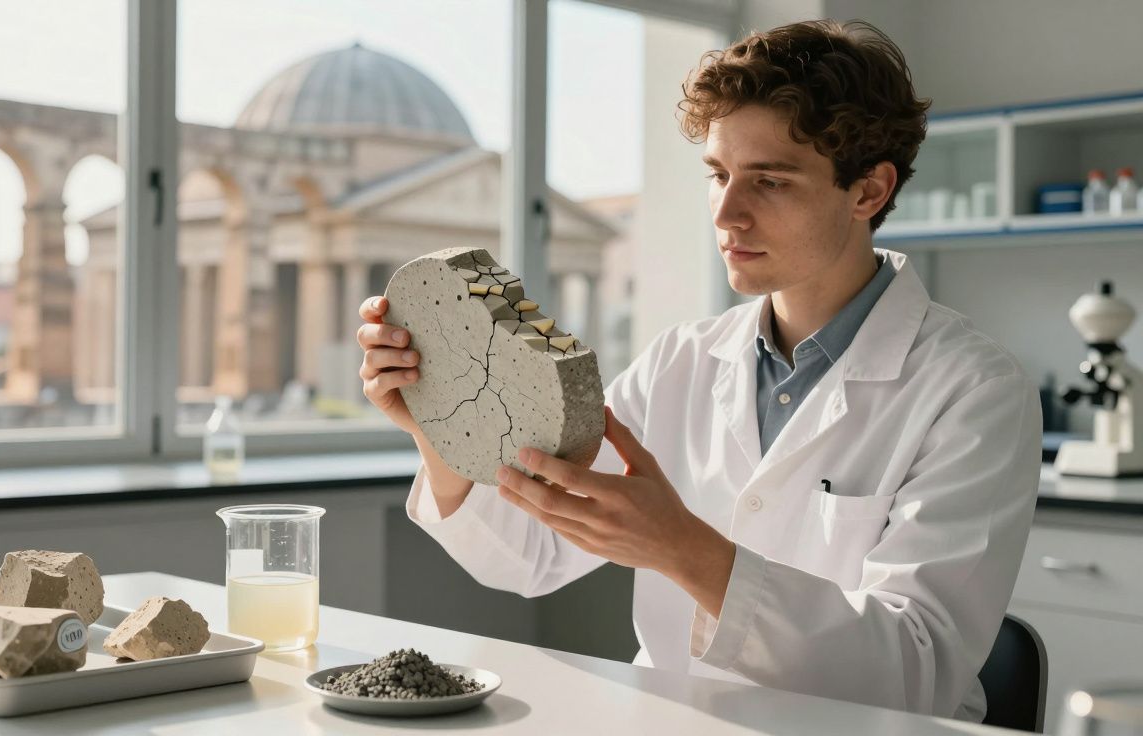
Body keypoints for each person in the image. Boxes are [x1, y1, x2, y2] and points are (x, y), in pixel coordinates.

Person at [355, 19, 1041, 722]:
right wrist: (437, 424)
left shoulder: (974, 392)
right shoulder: (680, 361)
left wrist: (685, 551)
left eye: (769, 182)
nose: (727, 213)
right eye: (718, 174)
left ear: (868, 192)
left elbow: (912, 672)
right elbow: (531, 555)